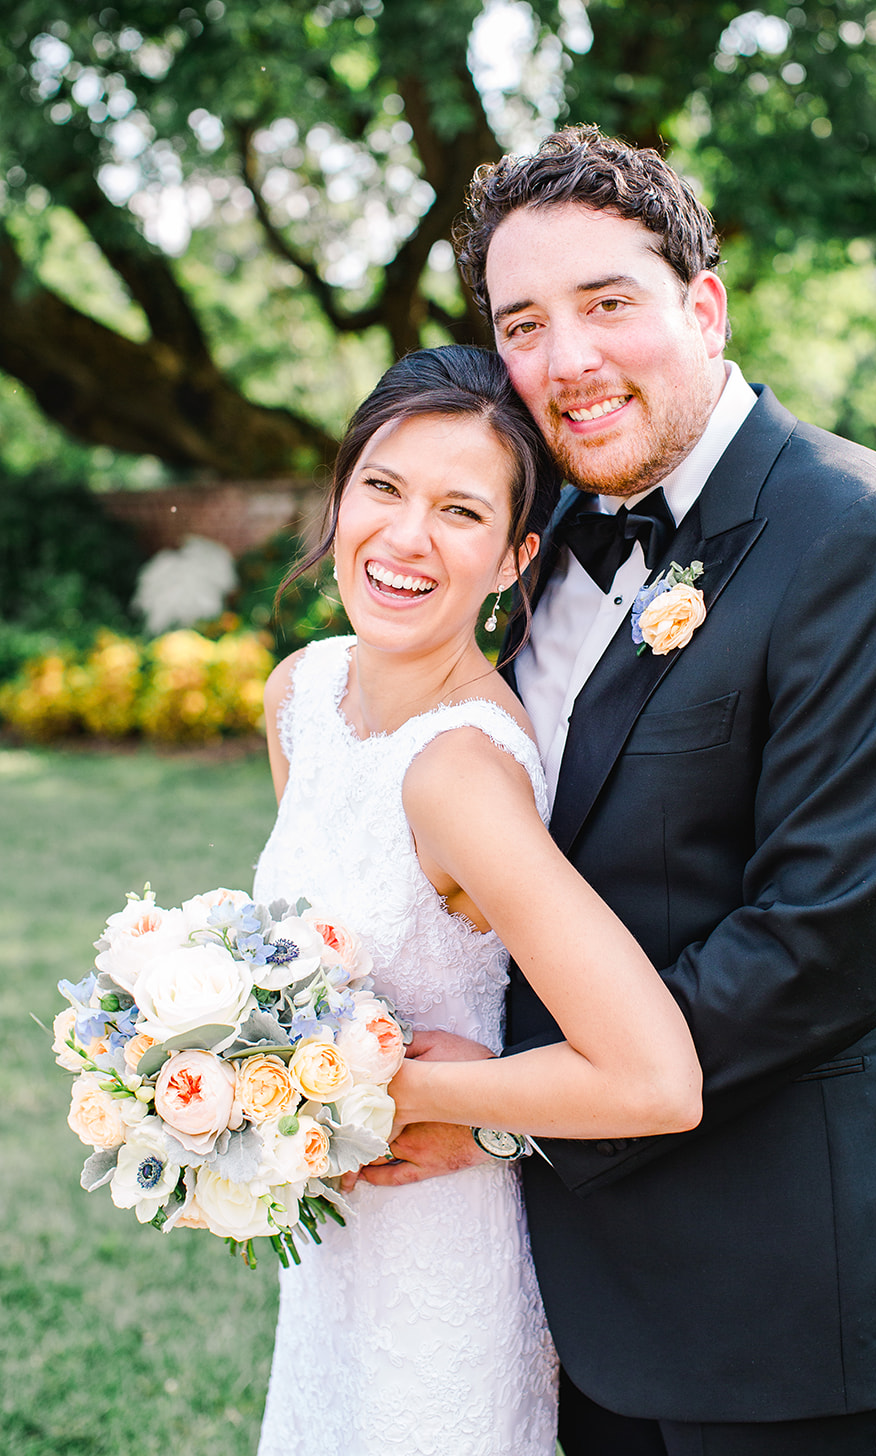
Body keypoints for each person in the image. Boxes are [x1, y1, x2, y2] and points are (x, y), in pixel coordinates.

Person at [361, 128, 876, 1456]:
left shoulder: (862, 532)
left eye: (606, 302)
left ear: (702, 306)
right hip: (559, 1294)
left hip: (791, 1286)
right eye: (523, 325)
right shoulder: (530, 536)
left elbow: (818, 944)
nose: (566, 359)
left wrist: (504, 1110)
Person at [252, 343, 703, 1456]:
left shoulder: (458, 773)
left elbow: (653, 1077)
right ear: (340, 496)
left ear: (513, 557)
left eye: (460, 511)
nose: (406, 537)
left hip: (440, 1265)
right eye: (384, 487)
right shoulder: (301, 692)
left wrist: (398, 1092)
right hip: (336, 1245)